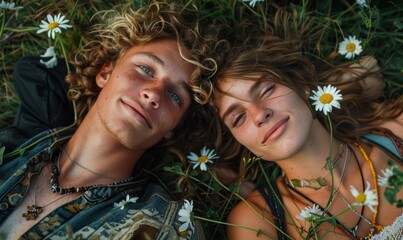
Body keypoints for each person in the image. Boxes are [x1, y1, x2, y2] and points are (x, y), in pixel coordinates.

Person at [0, 1, 216, 239]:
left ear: (172, 129)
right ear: (104, 73)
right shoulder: (11, 147)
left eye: (175, 96)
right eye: (145, 69)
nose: (154, 94)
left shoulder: (167, 227)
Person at [206, 32, 402, 239]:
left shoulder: (396, 133)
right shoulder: (256, 221)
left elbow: (371, 67)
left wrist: (336, 87)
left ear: (301, 85)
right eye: (238, 119)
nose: (259, 114)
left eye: (267, 90)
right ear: (240, 140)